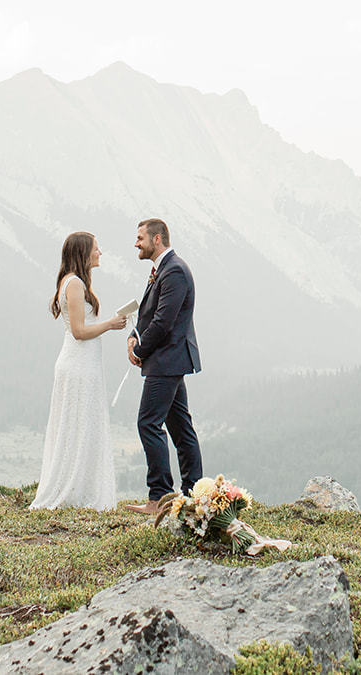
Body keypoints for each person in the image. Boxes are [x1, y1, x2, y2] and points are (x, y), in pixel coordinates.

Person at [29, 231, 127, 510]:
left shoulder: (77, 283)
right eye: (96, 249)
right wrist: (110, 324)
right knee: (76, 425)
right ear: (83, 253)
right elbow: (79, 331)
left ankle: (81, 487)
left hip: (87, 365)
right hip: (78, 366)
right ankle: (70, 489)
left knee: (84, 426)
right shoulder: (73, 284)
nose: (100, 253)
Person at [124, 218, 203, 516]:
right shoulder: (163, 271)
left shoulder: (175, 272)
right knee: (180, 427)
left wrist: (140, 350)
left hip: (166, 360)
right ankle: (194, 494)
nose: (136, 243)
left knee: (148, 423)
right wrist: (134, 335)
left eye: (140, 237)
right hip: (169, 360)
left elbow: (164, 322)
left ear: (157, 239)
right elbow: (149, 315)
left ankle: (159, 496)